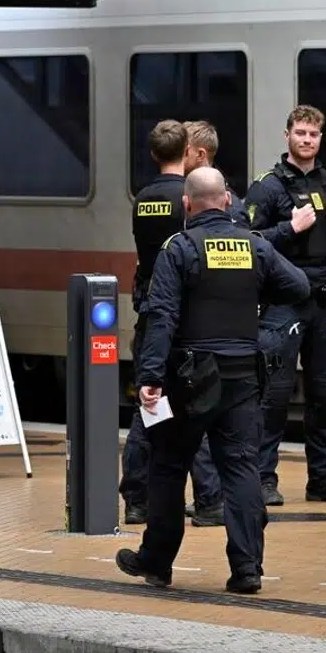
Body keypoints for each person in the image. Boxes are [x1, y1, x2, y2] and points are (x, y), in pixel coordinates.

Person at [116, 167, 313, 595]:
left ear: (187, 205)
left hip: (188, 380)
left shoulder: (179, 247)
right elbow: (299, 287)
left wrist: (149, 377)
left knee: (168, 467)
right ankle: (247, 569)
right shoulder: (254, 246)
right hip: (243, 376)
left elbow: (161, 316)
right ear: (226, 201)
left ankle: (157, 562)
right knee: (241, 469)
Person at [244, 105, 326, 505]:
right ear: (287, 135)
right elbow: (250, 242)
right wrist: (289, 228)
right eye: (300, 133)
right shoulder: (268, 187)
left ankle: (323, 479)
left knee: (325, 393)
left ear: (320, 138)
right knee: (274, 394)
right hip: (282, 303)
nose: (306, 140)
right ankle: (263, 478)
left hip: (324, 303)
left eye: (313, 134)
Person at [120, 120, 223, 527]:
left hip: (148, 310)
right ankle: (210, 498)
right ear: (187, 152)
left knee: (150, 407)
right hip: (181, 316)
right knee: (190, 405)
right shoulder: (187, 197)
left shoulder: (143, 198)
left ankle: (136, 497)